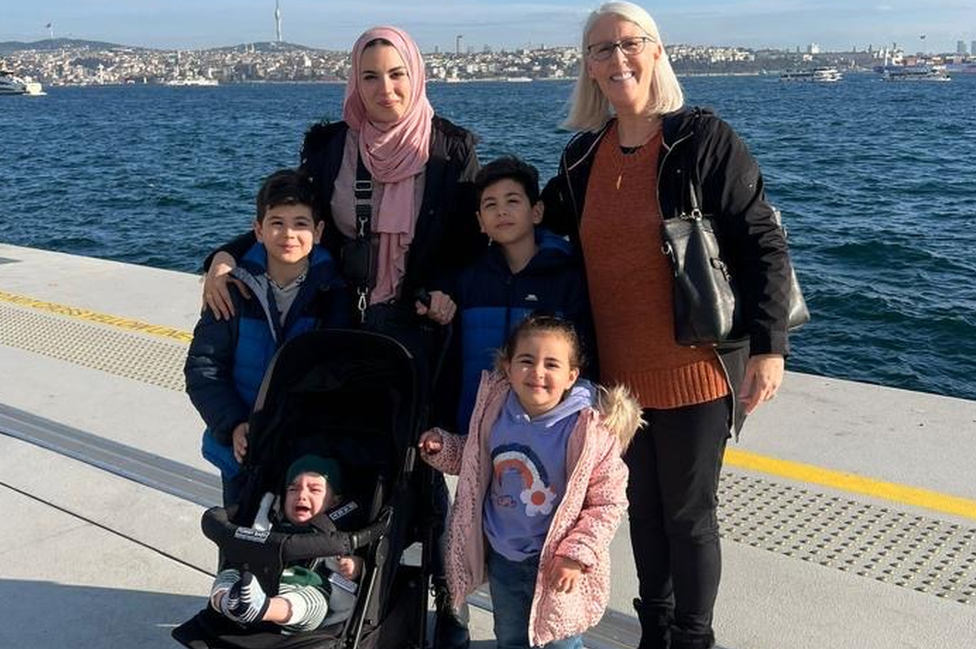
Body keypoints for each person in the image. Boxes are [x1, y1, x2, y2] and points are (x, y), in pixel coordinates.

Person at [198, 26, 482, 648]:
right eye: (371, 76)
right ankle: (336, 575)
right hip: (343, 323)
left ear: (417, 75)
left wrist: (447, 289)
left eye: (396, 74)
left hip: (417, 333)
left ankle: (449, 598)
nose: (385, 89)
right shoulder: (332, 147)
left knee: (424, 467)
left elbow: (469, 240)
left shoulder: (450, 150)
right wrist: (224, 256)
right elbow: (294, 218)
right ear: (355, 82)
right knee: (345, 454)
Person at [539, 3, 797, 648]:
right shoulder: (583, 155)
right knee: (641, 512)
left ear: (656, 52)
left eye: (630, 43)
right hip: (618, 380)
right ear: (589, 70)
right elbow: (524, 220)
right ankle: (655, 630)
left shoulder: (702, 140)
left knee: (688, 515)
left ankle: (693, 637)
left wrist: (769, 348)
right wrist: (247, 246)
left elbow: (761, 243)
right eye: (601, 49)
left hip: (696, 368)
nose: (617, 58)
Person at [418, 315, 641, 649]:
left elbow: (607, 502)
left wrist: (576, 554)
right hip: (504, 557)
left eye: (551, 364)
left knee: (559, 642)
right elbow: (475, 457)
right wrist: (444, 447)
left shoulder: (589, 431)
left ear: (571, 377)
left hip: (556, 564)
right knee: (510, 638)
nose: (538, 372)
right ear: (507, 368)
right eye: (526, 360)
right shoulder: (496, 411)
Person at [185, 169, 347, 506]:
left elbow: (338, 375)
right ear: (258, 230)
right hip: (241, 454)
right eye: (276, 223)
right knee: (238, 545)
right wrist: (232, 426)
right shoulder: (231, 291)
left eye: (301, 223)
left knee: (299, 551)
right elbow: (203, 369)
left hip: (304, 460)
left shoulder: (334, 293)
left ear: (318, 232)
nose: (288, 234)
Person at [453, 156, 594, 434]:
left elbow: (584, 354)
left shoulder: (566, 275)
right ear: (480, 222)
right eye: (490, 205)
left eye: (512, 201)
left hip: (549, 429)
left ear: (537, 211)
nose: (501, 211)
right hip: (479, 424)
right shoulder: (469, 278)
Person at [210, 455, 364, 632]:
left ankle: (263, 608)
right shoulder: (270, 520)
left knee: (314, 603)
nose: (301, 496)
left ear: (334, 501)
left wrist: (355, 566)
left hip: (303, 588)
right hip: (256, 580)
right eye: (293, 489)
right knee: (229, 574)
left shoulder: (336, 531)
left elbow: (354, 564)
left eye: (314, 490)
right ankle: (225, 601)